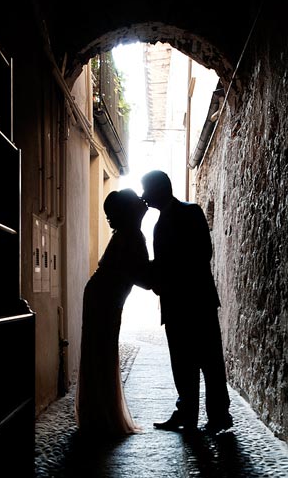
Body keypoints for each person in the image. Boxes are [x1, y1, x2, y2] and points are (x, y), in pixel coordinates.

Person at [141, 170, 232, 434]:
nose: (144, 196)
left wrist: (163, 277)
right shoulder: (160, 222)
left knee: (210, 363)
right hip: (176, 303)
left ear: (160, 189)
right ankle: (187, 413)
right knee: (182, 364)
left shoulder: (190, 212)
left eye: (147, 190)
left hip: (196, 302)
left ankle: (218, 416)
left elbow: (203, 253)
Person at [75, 188, 149, 438]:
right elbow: (143, 278)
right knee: (102, 352)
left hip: (103, 297)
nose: (144, 201)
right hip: (104, 300)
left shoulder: (128, 234)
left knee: (101, 353)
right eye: (138, 201)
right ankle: (101, 416)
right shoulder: (132, 236)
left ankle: (98, 413)